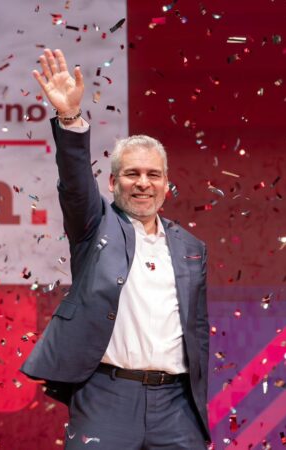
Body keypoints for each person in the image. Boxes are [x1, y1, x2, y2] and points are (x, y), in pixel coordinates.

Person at [20, 48, 211, 449]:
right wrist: (70, 118)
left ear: (166, 184)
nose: (142, 183)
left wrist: (195, 400)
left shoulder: (191, 248)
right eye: (131, 173)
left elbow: (196, 332)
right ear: (112, 183)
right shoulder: (95, 226)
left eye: (153, 174)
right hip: (107, 396)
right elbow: (75, 184)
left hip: (176, 404)